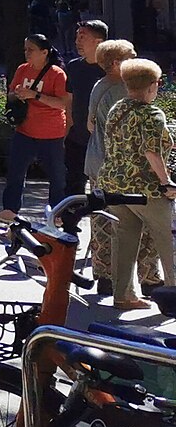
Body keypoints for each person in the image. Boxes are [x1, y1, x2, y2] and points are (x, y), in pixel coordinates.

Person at [85, 38, 159, 296]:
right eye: (132, 54)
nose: (136, 57)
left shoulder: (99, 86)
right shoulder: (125, 90)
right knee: (145, 223)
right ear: (117, 63)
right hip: (125, 169)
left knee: (103, 221)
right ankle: (149, 279)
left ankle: (104, 276)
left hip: (97, 163)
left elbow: (90, 125)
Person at [101, 58, 175, 311]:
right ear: (152, 86)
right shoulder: (153, 114)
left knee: (124, 240)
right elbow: (151, 152)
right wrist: (167, 183)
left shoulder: (118, 108)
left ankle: (123, 295)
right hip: (146, 189)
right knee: (169, 241)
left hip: (114, 185)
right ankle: (173, 298)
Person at [0, 33, 71, 222]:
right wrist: (17, 95)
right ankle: (10, 210)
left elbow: (62, 103)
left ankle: (57, 213)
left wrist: (34, 95)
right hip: (25, 130)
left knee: (57, 176)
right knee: (15, 172)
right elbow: (11, 93)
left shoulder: (57, 73)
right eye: (25, 49)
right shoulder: (22, 69)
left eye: (31, 50)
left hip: (52, 133)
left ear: (44, 52)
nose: (27, 53)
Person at [62, 18, 109, 198]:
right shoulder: (73, 67)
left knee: (104, 188)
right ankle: (69, 224)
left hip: (103, 141)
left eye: (82, 37)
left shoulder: (112, 70)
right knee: (73, 186)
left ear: (99, 42)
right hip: (77, 138)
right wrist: (65, 133)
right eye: (77, 37)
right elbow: (69, 101)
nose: (77, 41)